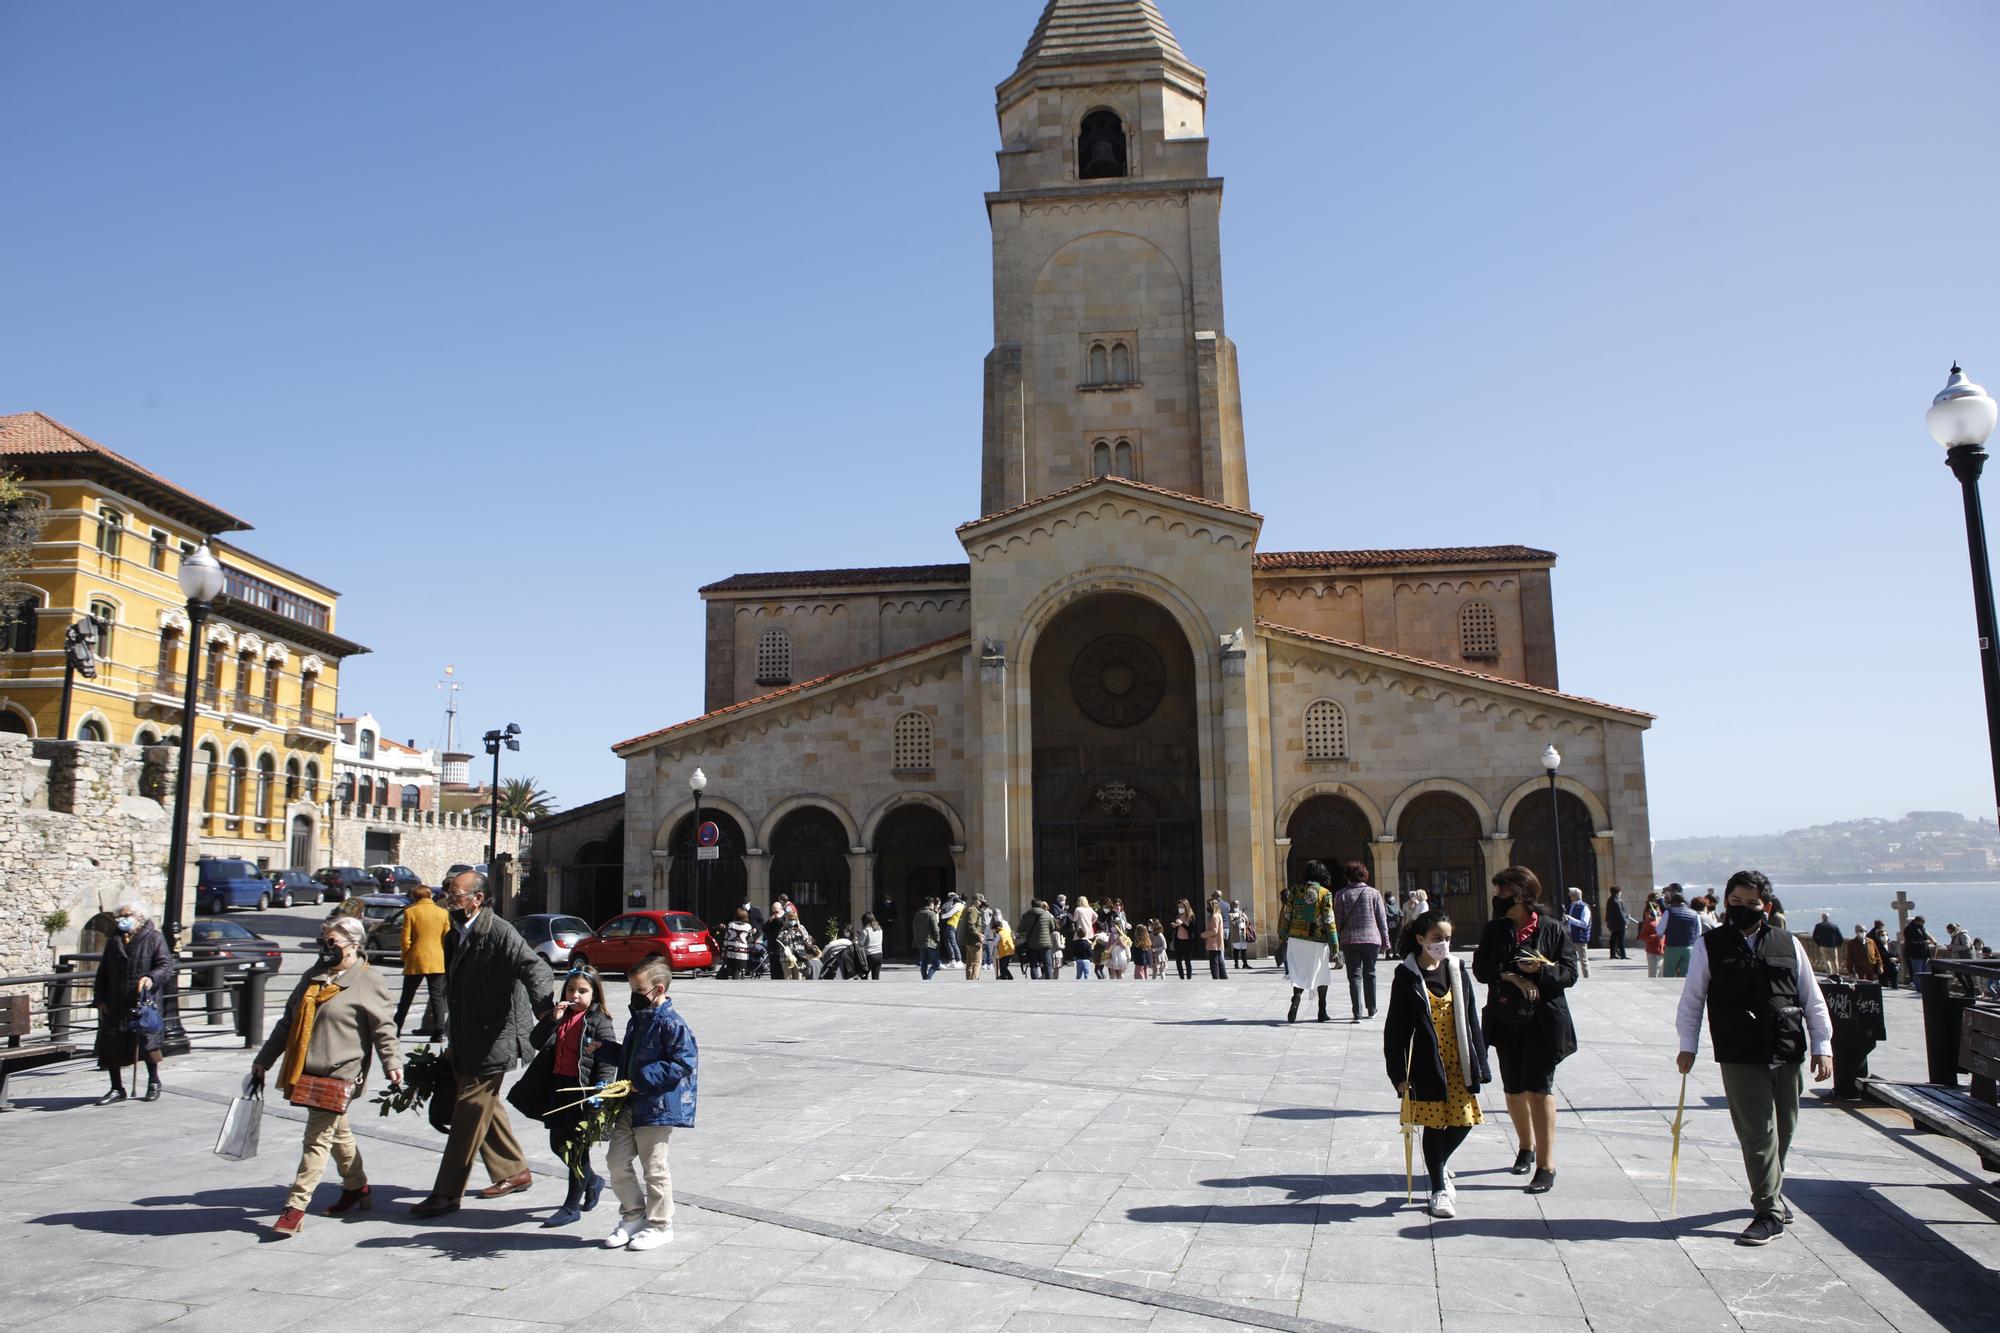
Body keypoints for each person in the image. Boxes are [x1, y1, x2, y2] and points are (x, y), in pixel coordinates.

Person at [1675, 870, 1833, 1246]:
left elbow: (1811, 997)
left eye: (1751, 903)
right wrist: (1688, 1044)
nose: (1742, 909)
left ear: (1767, 906)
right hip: (1739, 1050)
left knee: (1784, 1127)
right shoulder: (1709, 945)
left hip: (1786, 1047)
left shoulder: (1788, 943)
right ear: (1724, 901)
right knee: (1758, 1132)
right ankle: (1768, 1211)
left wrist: (1822, 1047)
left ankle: (1772, 1192)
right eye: (1735, 902)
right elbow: (1693, 999)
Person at [411, 869, 554, 1219]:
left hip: (495, 1039)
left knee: (468, 1111)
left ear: (477, 899)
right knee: (485, 1109)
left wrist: (549, 1012)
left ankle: (446, 1193)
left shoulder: (500, 932)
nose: (449, 898)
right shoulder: (454, 932)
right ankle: (513, 1171)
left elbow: (534, 969)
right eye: (448, 891)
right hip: (466, 1038)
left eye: (456, 893)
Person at [251, 915, 402, 1236]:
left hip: (341, 1071)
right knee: (337, 1133)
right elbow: (288, 1021)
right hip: (307, 1069)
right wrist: (264, 1059)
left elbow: (384, 1027)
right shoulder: (314, 975)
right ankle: (356, 1186)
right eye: (324, 940)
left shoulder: (367, 980)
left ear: (353, 944)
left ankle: (295, 1207)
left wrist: (393, 1062)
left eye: (332, 941)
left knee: (316, 1139)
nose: (325, 947)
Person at [1473, 867, 1579, 1194]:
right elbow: (1480, 969)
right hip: (1507, 1019)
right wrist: (1510, 975)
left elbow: (1569, 973)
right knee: (1514, 1088)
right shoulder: (1495, 930)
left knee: (1539, 1087)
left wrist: (1543, 970)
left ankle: (1547, 1165)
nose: (1497, 898)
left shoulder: (1553, 929)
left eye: (1502, 892)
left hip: (1544, 1021)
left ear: (1519, 894)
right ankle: (1525, 1147)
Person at [1384, 909, 1489, 1219]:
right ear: (1420, 939)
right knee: (1433, 1124)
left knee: (1464, 1120)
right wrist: (1398, 1074)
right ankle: (1438, 1190)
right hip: (1425, 1063)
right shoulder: (1406, 975)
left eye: (1447, 939)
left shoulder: (1456, 968)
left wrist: (1480, 1062)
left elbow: (1471, 1019)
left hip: (1458, 1060)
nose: (1443, 944)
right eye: (1437, 939)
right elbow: (1396, 1029)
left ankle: (1439, 1163)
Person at [507, 964, 617, 1227]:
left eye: (583, 990)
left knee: (577, 1149)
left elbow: (608, 1060)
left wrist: (599, 1092)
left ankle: (571, 1207)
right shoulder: (562, 1016)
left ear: (595, 994)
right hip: (557, 1088)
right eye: (571, 989)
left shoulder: (599, 1020)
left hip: (581, 1092)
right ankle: (592, 1181)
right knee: (557, 1143)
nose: (576, 995)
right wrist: (550, 1020)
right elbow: (535, 1041)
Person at [602, 955, 698, 1252]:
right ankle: (633, 1215)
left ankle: (661, 1225)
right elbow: (631, 1057)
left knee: (654, 1168)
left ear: (658, 989)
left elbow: (685, 1060)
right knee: (615, 1161)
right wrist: (607, 1051)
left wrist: (645, 1076)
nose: (633, 996)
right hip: (630, 1102)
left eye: (637, 990)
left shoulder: (671, 1023)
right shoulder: (637, 1020)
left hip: (656, 1108)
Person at [92, 900, 172, 1105]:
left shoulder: (154, 938)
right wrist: (100, 999)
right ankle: (116, 1088)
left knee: (147, 1044)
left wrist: (151, 978)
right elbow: (103, 972)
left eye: (127, 915)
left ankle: (154, 1082)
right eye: (120, 916)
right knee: (111, 1044)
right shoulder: (115, 940)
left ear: (139, 917)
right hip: (116, 1000)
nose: (122, 920)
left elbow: (165, 965)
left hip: (142, 999)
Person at [1278, 863, 1338, 1023]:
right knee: (1321, 974)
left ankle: (1296, 998)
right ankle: (1322, 1010)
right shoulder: (1325, 894)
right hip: (1316, 940)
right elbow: (1329, 921)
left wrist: (1283, 935)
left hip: (1296, 939)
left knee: (1299, 972)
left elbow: (1286, 915)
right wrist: (1335, 947)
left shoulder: (1295, 891)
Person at [1333, 861, 1391, 1022]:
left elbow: (1337, 920)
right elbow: (1381, 919)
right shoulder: (1374, 893)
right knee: (1370, 973)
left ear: (1347, 876)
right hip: (1372, 939)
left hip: (1350, 940)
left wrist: (1335, 942)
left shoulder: (1341, 894)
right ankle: (1372, 1009)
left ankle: (1357, 1012)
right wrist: (1386, 942)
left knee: (1354, 977)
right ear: (1364, 874)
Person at [395, 883, 451, 1036]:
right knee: (437, 998)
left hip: (416, 959)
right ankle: (439, 1031)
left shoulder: (411, 912)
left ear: (415, 897)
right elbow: (447, 937)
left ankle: (396, 1029)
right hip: (437, 960)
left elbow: (405, 939)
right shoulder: (442, 913)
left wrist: (405, 955)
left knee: (406, 997)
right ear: (430, 896)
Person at [1660, 890, 1703, 978]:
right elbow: (1698, 932)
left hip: (1672, 947)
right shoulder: (1695, 914)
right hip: (1689, 947)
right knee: (1685, 976)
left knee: (1668, 974)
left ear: (1673, 902)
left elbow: (1659, 931)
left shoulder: (1668, 912)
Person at [1017, 898, 1057, 980]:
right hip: (1045, 944)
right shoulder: (1047, 915)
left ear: (1032, 905)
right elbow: (1052, 928)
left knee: (1033, 964)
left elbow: (1020, 929)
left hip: (1032, 944)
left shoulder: (1026, 915)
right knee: (1048, 965)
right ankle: (1050, 981)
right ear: (1041, 905)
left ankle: (1035, 981)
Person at [1565, 888, 1593, 980]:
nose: (1570, 897)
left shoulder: (1584, 907)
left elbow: (1584, 924)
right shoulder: (1571, 906)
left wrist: (1570, 919)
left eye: (1571, 895)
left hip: (1580, 936)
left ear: (1575, 896)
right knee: (1570, 958)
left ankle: (1587, 977)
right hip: (1570, 935)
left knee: (1583, 958)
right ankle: (1573, 975)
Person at [722, 908, 755, 980]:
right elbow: (750, 940)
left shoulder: (730, 925)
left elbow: (726, 939)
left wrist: (724, 950)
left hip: (730, 952)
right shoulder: (748, 926)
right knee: (738, 970)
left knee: (731, 970)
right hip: (742, 953)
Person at [1904, 916, 1935, 990]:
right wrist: (1924, 943)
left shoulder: (1921, 928)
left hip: (1924, 953)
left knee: (1925, 971)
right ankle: (1919, 988)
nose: (1923, 924)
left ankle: (1925, 987)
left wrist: (1929, 942)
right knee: (1918, 972)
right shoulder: (1909, 929)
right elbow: (1911, 942)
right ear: (1917, 921)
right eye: (1922, 922)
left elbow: (1925, 937)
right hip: (1915, 954)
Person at [914, 897, 942, 980]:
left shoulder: (917, 914)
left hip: (921, 942)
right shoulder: (931, 914)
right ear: (931, 904)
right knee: (936, 963)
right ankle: (927, 979)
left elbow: (914, 928)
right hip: (931, 942)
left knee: (924, 963)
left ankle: (924, 979)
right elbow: (935, 929)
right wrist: (938, 940)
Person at [959, 896, 986, 980]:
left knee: (970, 963)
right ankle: (973, 981)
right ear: (976, 901)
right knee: (976, 962)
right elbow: (971, 925)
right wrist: (979, 935)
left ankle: (969, 980)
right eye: (980, 901)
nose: (981, 903)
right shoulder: (974, 910)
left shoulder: (968, 909)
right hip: (975, 941)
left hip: (969, 941)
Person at [1171, 899, 1197, 981]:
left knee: (1187, 960)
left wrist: (1182, 924)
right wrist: (1175, 925)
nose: (1180, 908)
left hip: (1188, 941)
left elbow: (1191, 929)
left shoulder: (1191, 916)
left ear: (1186, 906)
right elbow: (1177, 926)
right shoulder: (1178, 915)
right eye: (1179, 907)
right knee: (1178, 960)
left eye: (1181, 907)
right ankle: (1181, 977)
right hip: (1178, 940)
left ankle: (1189, 978)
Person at [1203, 895, 1228, 980]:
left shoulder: (1214, 916)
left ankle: (1216, 977)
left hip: (1214, 942)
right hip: (1217, 942)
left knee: (1214, 961)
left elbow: (1214, 930)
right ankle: (1223, 976)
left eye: (1208, 906)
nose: (1207, 908)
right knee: (1219, 960)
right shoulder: (1218, 915)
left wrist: (1204, 934)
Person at [762, 901, 788, 982]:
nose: (774, 913)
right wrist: (769, 921)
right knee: (774, 973)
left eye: (776, 911)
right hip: (772, 948)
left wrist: (779, 918)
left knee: (782, 972)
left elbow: (785, 927)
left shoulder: (785, 916)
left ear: (781, 909)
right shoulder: (772, 918)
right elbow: (764, 929)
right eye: (773, 911)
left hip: (782, 949)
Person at [1869, 921, 1899, 989]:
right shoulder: (1876, 947)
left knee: (1895, 986)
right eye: (1882, 935)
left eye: (1886, 935)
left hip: (1893, 968)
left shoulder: (1892, 945)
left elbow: (1898, 955)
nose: (1885, 937)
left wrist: (1896, 959)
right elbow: (1876, 956)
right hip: (1883, 968)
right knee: (1884, 985)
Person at [1639, 905, 1666, 978]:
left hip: (1663, 950)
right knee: (1653, 973)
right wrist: (1655, 936)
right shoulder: (1649, 922)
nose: (1656, 911)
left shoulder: (1662, 920)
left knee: (1662, 974)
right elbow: (1642, 936)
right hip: (1653, 951)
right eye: (1654, 909)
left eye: (1657, 909)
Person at [1605, 886, 1630, 960]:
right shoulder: (1617, 901)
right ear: (1618, 892)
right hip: (1619, 923)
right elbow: (1620, 912)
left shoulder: (1610, 900)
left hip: (1613, 923)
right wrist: (1625, 922)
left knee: (1613, 938)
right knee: (1620, 939)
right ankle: (1623, 954)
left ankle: (1613, 954)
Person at [860, 911, 884, 980]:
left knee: (864, 975)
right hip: (879, 955)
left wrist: (858, 938)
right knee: (876, 977)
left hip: (870, 955)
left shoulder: (866, 930)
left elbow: (861, 944)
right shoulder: (879, 929)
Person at [1228, 901, 1252, 970]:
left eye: (1238, 904)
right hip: (1236, 934)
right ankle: (1236, 964)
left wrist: (1244, 917)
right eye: (1235, 904)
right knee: (1237, 949)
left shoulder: (1242, 913)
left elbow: (1247, 921)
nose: (1237, 906)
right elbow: (1232, 923)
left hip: (1243, 933)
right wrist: (1238, 918)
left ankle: (1245, 963)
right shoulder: (1230, 914)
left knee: (1244, 949)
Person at [994, 914, 1016, 979]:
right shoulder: (1008, 930)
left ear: (997, 928)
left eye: (995, 929)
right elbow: (1013, 937)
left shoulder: (999, 933)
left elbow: (995, 943)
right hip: (1010, 951)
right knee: (1003, 966)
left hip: (1004, 952)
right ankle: (1006, 976)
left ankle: (1006, 977)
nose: (995, 931)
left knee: (1003, 966)